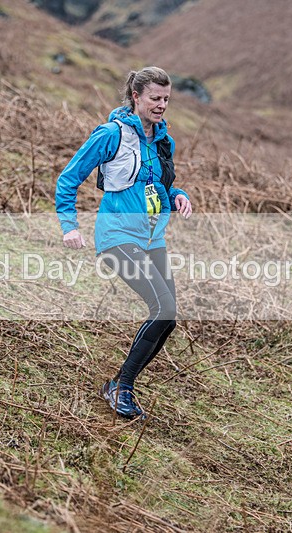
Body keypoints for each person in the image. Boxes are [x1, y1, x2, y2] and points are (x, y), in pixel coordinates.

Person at [55, 66, 192, 419]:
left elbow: (161, 184)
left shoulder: (164, 139)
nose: (161, 105)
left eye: (166, 99)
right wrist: (69, 225)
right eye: (154, 99)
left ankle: (120, 384)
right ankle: (121, 387)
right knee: (161, 309)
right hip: (117, 236)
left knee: (169, 317)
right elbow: (68, 179)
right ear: (136, 97)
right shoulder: (110, 134)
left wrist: (178, 195)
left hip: (152, 237)